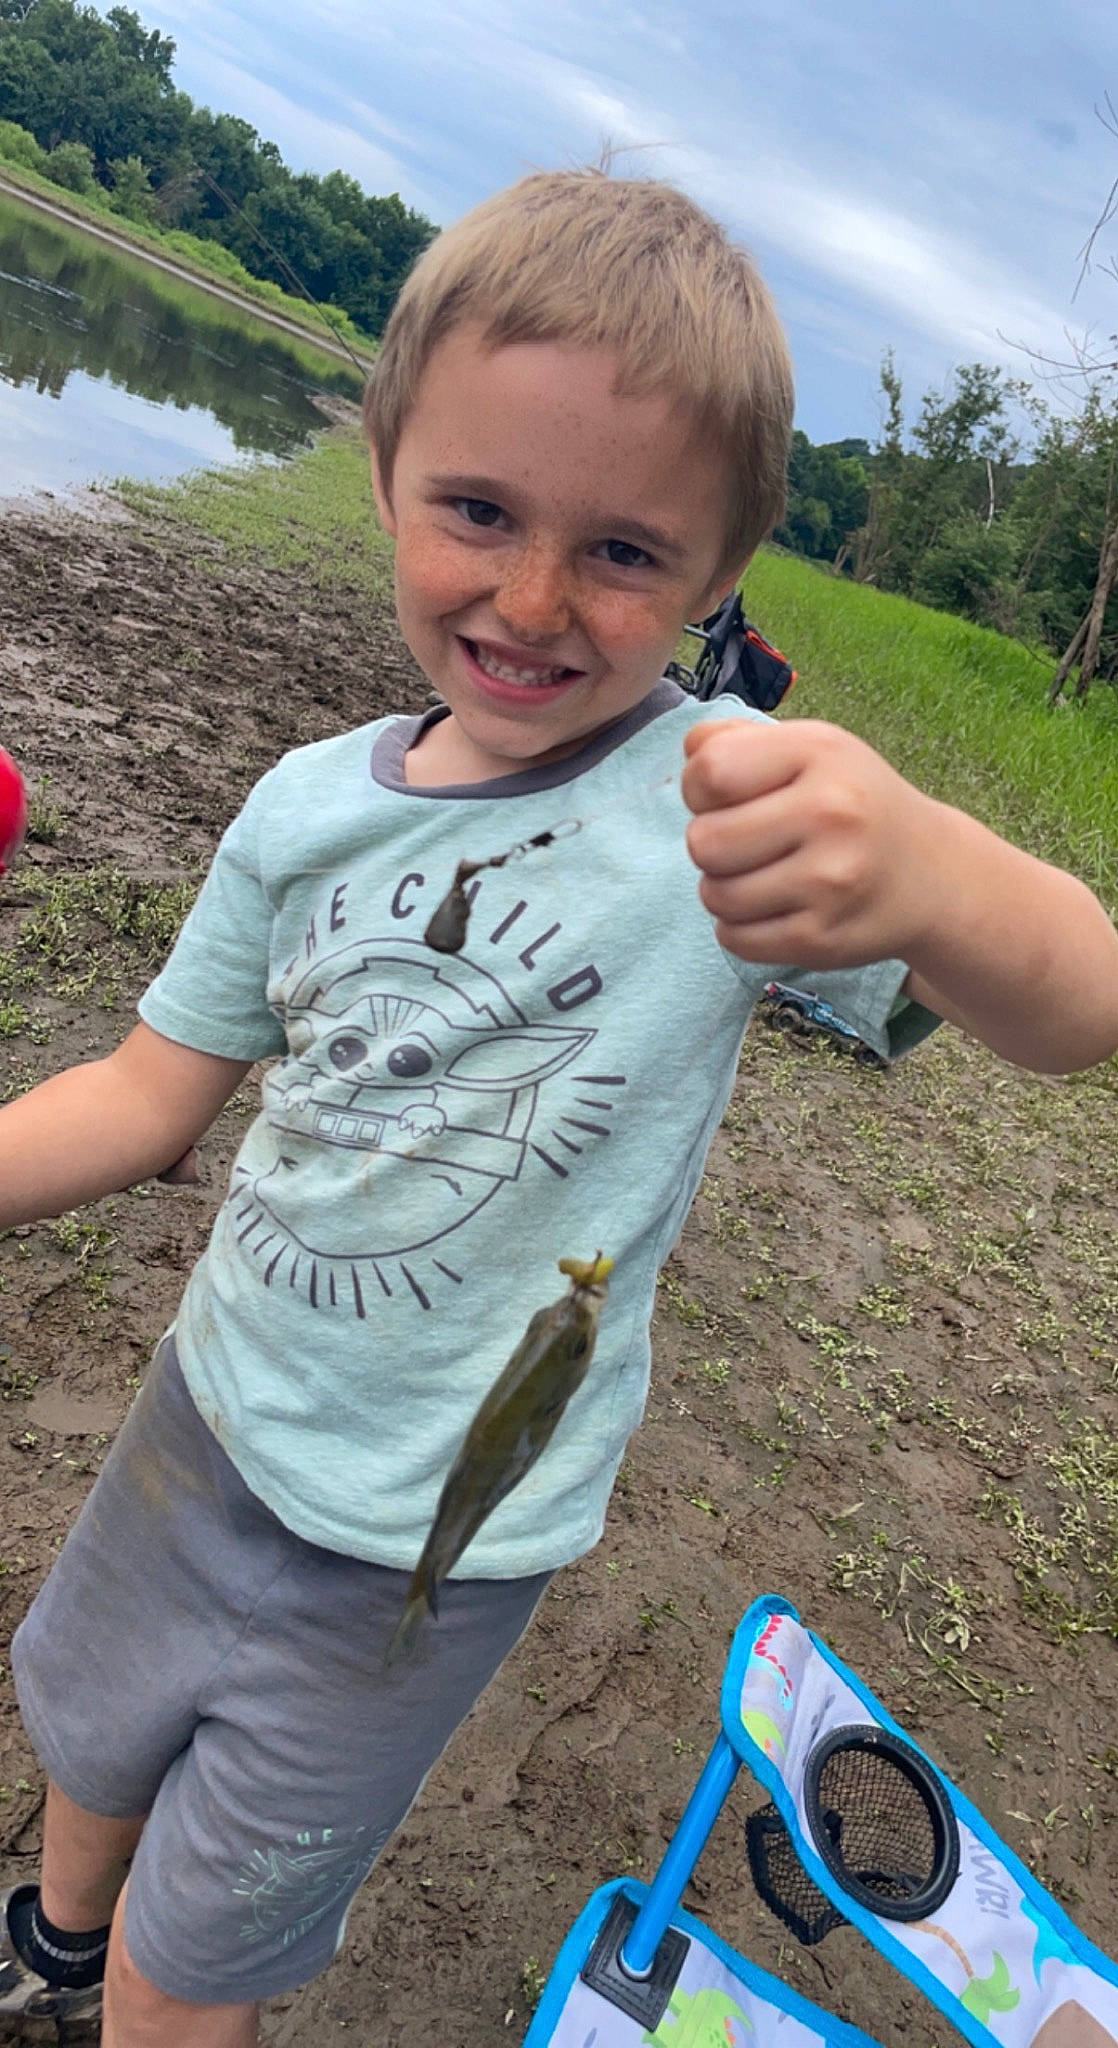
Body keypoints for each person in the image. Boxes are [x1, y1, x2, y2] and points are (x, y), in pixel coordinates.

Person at [1, 168, 1116, 2048]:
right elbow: (142, 1092)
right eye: (479, 512)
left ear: (712, 579)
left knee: (204, 1961)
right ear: (381, 469)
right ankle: (48, 1930)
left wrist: (932, 872)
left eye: (618, 552)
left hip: (430, 1549)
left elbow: (1076, 1005)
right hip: (204, 1413)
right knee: (94, 1723)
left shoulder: (730, 805)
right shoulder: (299, 807)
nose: (529, 600)